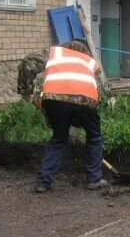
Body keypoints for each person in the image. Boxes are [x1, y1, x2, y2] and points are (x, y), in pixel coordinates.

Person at [33, 40, 108, 193]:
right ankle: (94, 179)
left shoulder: (54, 53)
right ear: (83, 51)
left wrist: (26, 90)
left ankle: (43, 183)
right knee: (94, 137)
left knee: (58, 139)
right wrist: (80, 118)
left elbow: (27, 63)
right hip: (85, 100)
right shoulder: (90, 62)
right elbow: (97, 89)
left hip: (53, 100)